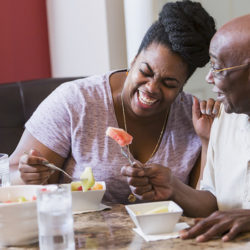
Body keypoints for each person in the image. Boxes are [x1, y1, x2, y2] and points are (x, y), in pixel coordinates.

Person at [10, 0, 218, 203]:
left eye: (169, 83)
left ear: (182, 86)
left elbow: (204, 204)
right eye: (145, 71)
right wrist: (27, 177)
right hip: (81, 235)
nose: (152, 88)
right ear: (133, 60)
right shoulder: (75, 101)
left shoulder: (194, 118)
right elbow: (12, 181)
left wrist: (207, 141)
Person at [122, 14, 250, 241]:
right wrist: (173, 187)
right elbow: (213, 201)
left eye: (218, 68)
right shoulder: (224, 118)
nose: (209, 78)